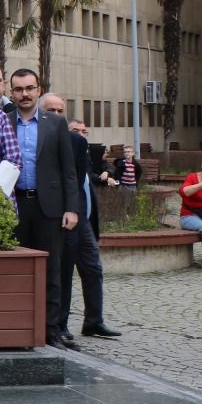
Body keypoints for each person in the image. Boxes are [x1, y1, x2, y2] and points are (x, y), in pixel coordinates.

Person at [6, 68, 81, 349]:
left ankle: (51, 330)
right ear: (11, 93)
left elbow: (68, 169)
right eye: (18, 89)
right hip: (14, 206)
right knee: (17, 269)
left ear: (39, 90)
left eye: (29, 88)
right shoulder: (3, 120)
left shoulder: (55, 123)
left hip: (49, 207)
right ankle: (19, 328)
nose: (24, 94)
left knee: (52, 270)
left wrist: (71, 208)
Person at [44, 103, 122, 342]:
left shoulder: (83, 151)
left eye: (83, 131)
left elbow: (90, 178)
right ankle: (61, 324)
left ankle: (93, 321)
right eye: (75, 131)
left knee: (93, 269)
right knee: (64, 274)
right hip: (67, 219)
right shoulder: (58, 149)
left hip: (85, 221)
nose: (80, 135)